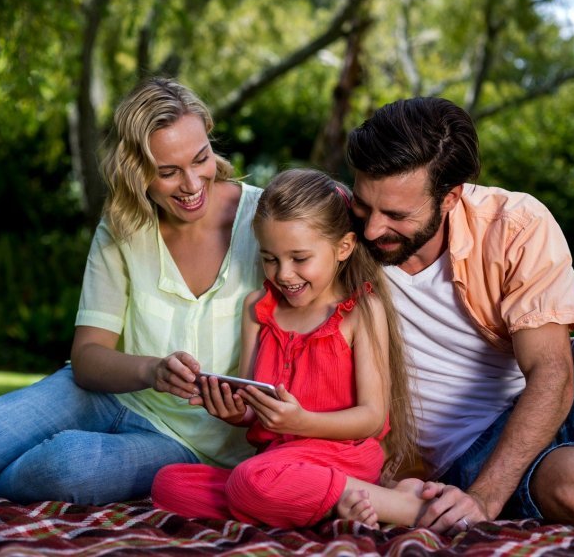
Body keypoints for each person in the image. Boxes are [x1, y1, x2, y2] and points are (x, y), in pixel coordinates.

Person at [0, 78, 266, 505]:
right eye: (168, 172)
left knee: (65, 467)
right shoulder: (123, 227)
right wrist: (153, 371)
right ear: (137, 171)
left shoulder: (266, 221)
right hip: (107, 395)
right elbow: (87, 359)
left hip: (191, 444)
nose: (193, 183)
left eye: (201, 159)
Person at [341, 96, 574, 533]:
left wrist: (484, 501)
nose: (371, 229)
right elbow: (258, 209)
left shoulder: (513, 226)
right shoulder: (333, 231)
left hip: (545, 409)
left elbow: (551, 373)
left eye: (395, 214)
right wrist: (477, 495)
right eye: (363, 204)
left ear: (449, 198)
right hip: (463, 464)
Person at [151, 169, 431, 529]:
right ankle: (333, 502)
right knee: (169, 484)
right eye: (271, 259)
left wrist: (303, 422)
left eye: (299, 258)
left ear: (343, 247)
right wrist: (235, 411)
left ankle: (398, 506)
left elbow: (373, 417)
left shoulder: (360, 311)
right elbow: (256, 407)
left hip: (343, 455)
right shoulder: (257, 310)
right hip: (278, 461)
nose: (283, 274)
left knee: (249, 482)